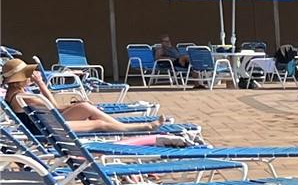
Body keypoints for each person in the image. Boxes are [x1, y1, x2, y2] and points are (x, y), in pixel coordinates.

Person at [3, 58, 184, 140]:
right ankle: (141, 129)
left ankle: (127, 128)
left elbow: (53, 109)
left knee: (87, 109)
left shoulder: (14, 94)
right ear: (19, 78)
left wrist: (79, 105)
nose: (30, 77)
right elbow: (55, 107)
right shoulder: (24, 96)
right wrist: (42, 85)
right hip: (46, 130)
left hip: (44, 124)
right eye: (26, 74)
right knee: (98, 124)